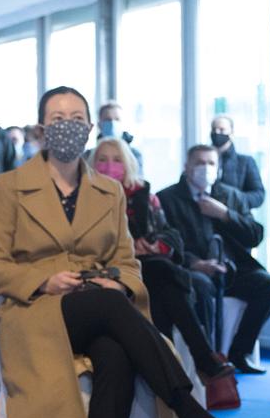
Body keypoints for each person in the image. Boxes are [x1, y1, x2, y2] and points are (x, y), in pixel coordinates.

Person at [0, 85, 245, 418]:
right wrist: (43, 280)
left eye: (75, 118)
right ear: (42, 129)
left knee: (115, 352)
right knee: (108, 308)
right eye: (57, 119)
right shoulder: (10, 187)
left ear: (88, 127)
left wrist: (116, 280)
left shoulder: (109, 191)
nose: (67, 126)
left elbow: (127, 261)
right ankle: (188, 410)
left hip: (99, 306)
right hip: (35, 310)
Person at [90, 135, 228, 383]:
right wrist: (129, 248)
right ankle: (201, 361)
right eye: (102, 159)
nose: (110, 166)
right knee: (165, 275)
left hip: (149, 266)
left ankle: (171, 372)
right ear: (92, 163)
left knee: (162, 282)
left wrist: (155, 245)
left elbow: (169, 234)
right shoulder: (86, 197)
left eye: (117, 159)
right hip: (109, 268)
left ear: (127, 163)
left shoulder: (144, 195)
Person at [154, 145, 270, 375]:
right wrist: (195, 263)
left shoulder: (230, 195)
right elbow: (167, 241)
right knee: (201, 286)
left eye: (211, 163)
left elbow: (255, 235)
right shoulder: (167, 198)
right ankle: (208, 358)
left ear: (219, 168)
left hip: (230, 270)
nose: (205, 168)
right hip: (192, 269)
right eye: (199, 163)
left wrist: (225, 214)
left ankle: (239, 352)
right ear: (187, 167)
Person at [207, 114, 265, 211]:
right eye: (214, 129)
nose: (217, 133)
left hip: (234, 217)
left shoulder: (245, 162)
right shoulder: (200, 160)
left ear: (232, 133)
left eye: (222, 129)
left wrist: (231, 200)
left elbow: (258, 196)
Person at [96, 102, 143, 175]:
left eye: (117, 119)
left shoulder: (135, 155)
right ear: (99, 124)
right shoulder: (89, 155)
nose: (112, 123)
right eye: (108, 119)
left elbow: (138, 179)